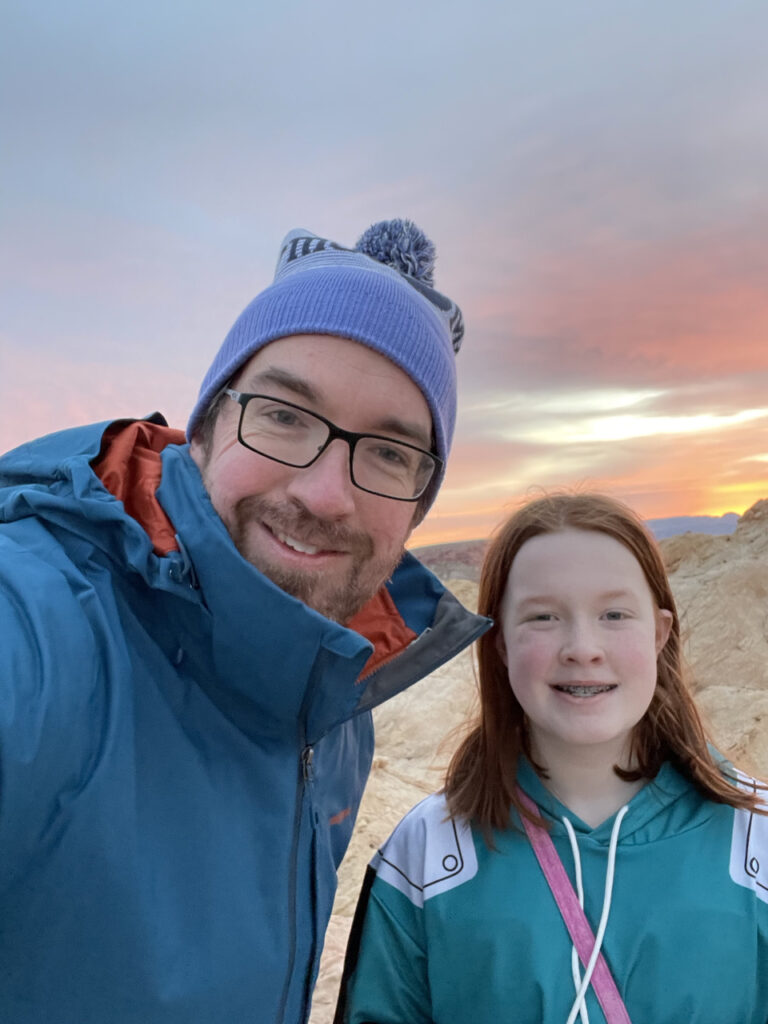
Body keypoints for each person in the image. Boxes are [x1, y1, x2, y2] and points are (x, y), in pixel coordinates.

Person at [0, 219, 491, 1024]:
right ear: (209, 424)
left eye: (390, 454)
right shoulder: (45, 625)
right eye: (286, 415)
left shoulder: (336, 706)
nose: (326, 493)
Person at [336, 493, 768, 1024]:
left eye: (614, 614)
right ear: (499, 644)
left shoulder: (756, 841)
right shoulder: (427, 855)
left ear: (659, 633)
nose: (582, 647)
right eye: (543, 616)